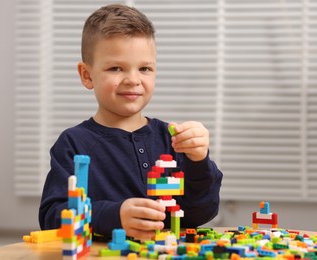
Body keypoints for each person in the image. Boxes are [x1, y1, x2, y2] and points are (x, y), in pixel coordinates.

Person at [39, 4, 223, 241]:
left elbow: (201, 213)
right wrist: (113, 216)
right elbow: (51, 217)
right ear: (87, 75)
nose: (133, 80)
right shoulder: (73, 143)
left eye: (144, 68)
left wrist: (199, 161)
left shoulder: (172, 139)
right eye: (116, 68)